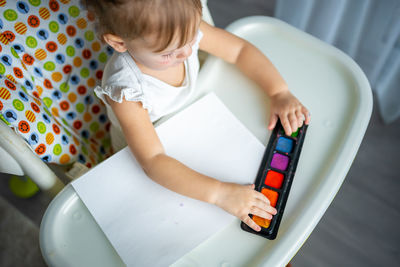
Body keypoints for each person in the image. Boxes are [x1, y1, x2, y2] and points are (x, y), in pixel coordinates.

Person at [83, 0, 310, 232]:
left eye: (191, 39)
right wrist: (219, 194)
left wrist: (278, 91)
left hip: (198, 119)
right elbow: (153, 161)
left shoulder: (180, 29)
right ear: (119, 42)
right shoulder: (126, 90)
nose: (188, 52)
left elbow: (239, 51)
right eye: (169, 53)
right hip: (151, 150)